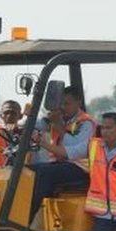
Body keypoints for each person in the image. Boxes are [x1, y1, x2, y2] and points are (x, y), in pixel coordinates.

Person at [27, 86, 96, 223]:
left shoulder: (85, 123)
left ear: (79, 103)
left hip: (81, 168)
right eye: (61, 104)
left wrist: (58, 127)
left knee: (45, 172)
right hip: (60, 165)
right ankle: (19, 210)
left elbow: (75, 150)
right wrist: (29, 118)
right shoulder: (60, 118)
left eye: (67, 103)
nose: (63, 107)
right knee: (28, 170)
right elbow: (36, 126)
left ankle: (28, 217)